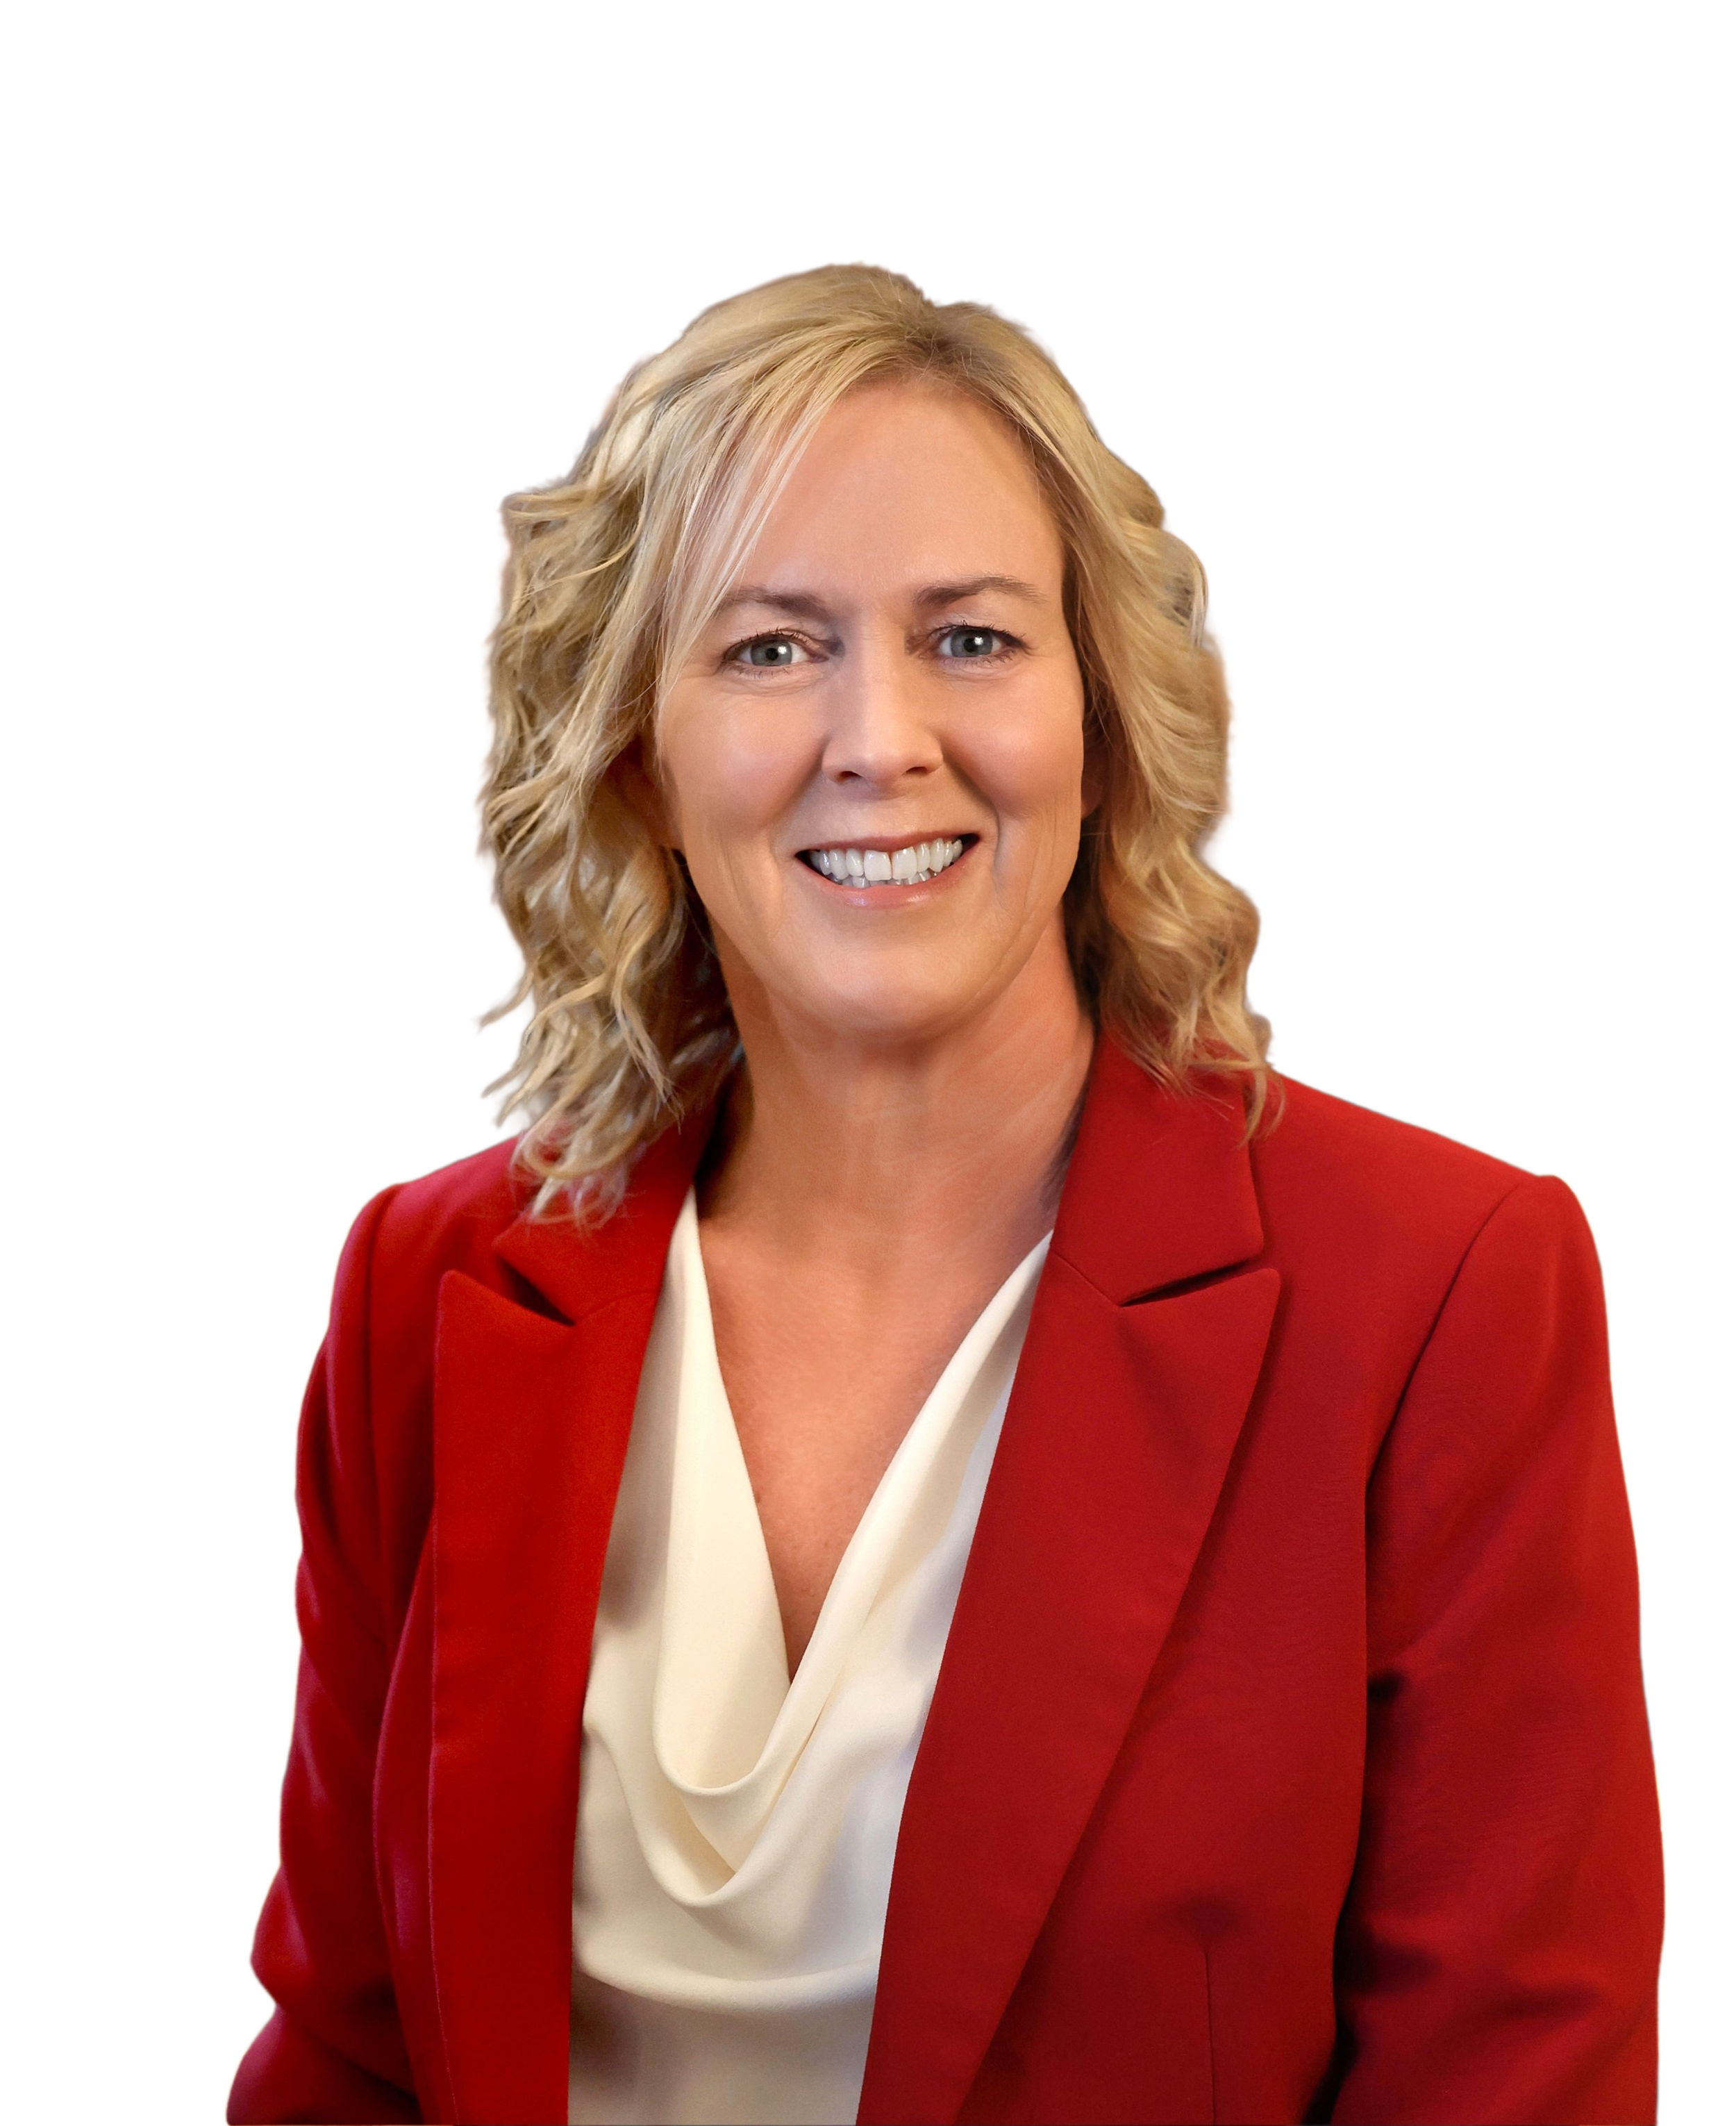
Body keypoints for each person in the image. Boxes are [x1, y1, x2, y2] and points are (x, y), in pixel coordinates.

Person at [225, 263, 1664, 2126]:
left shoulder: (1434, 1290)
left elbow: (1521, 2080)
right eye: (770, 649)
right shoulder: (426, 1286)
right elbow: (341, 2056)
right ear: (641, 753)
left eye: (970, 638)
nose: (881, 738)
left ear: (1101, 721)